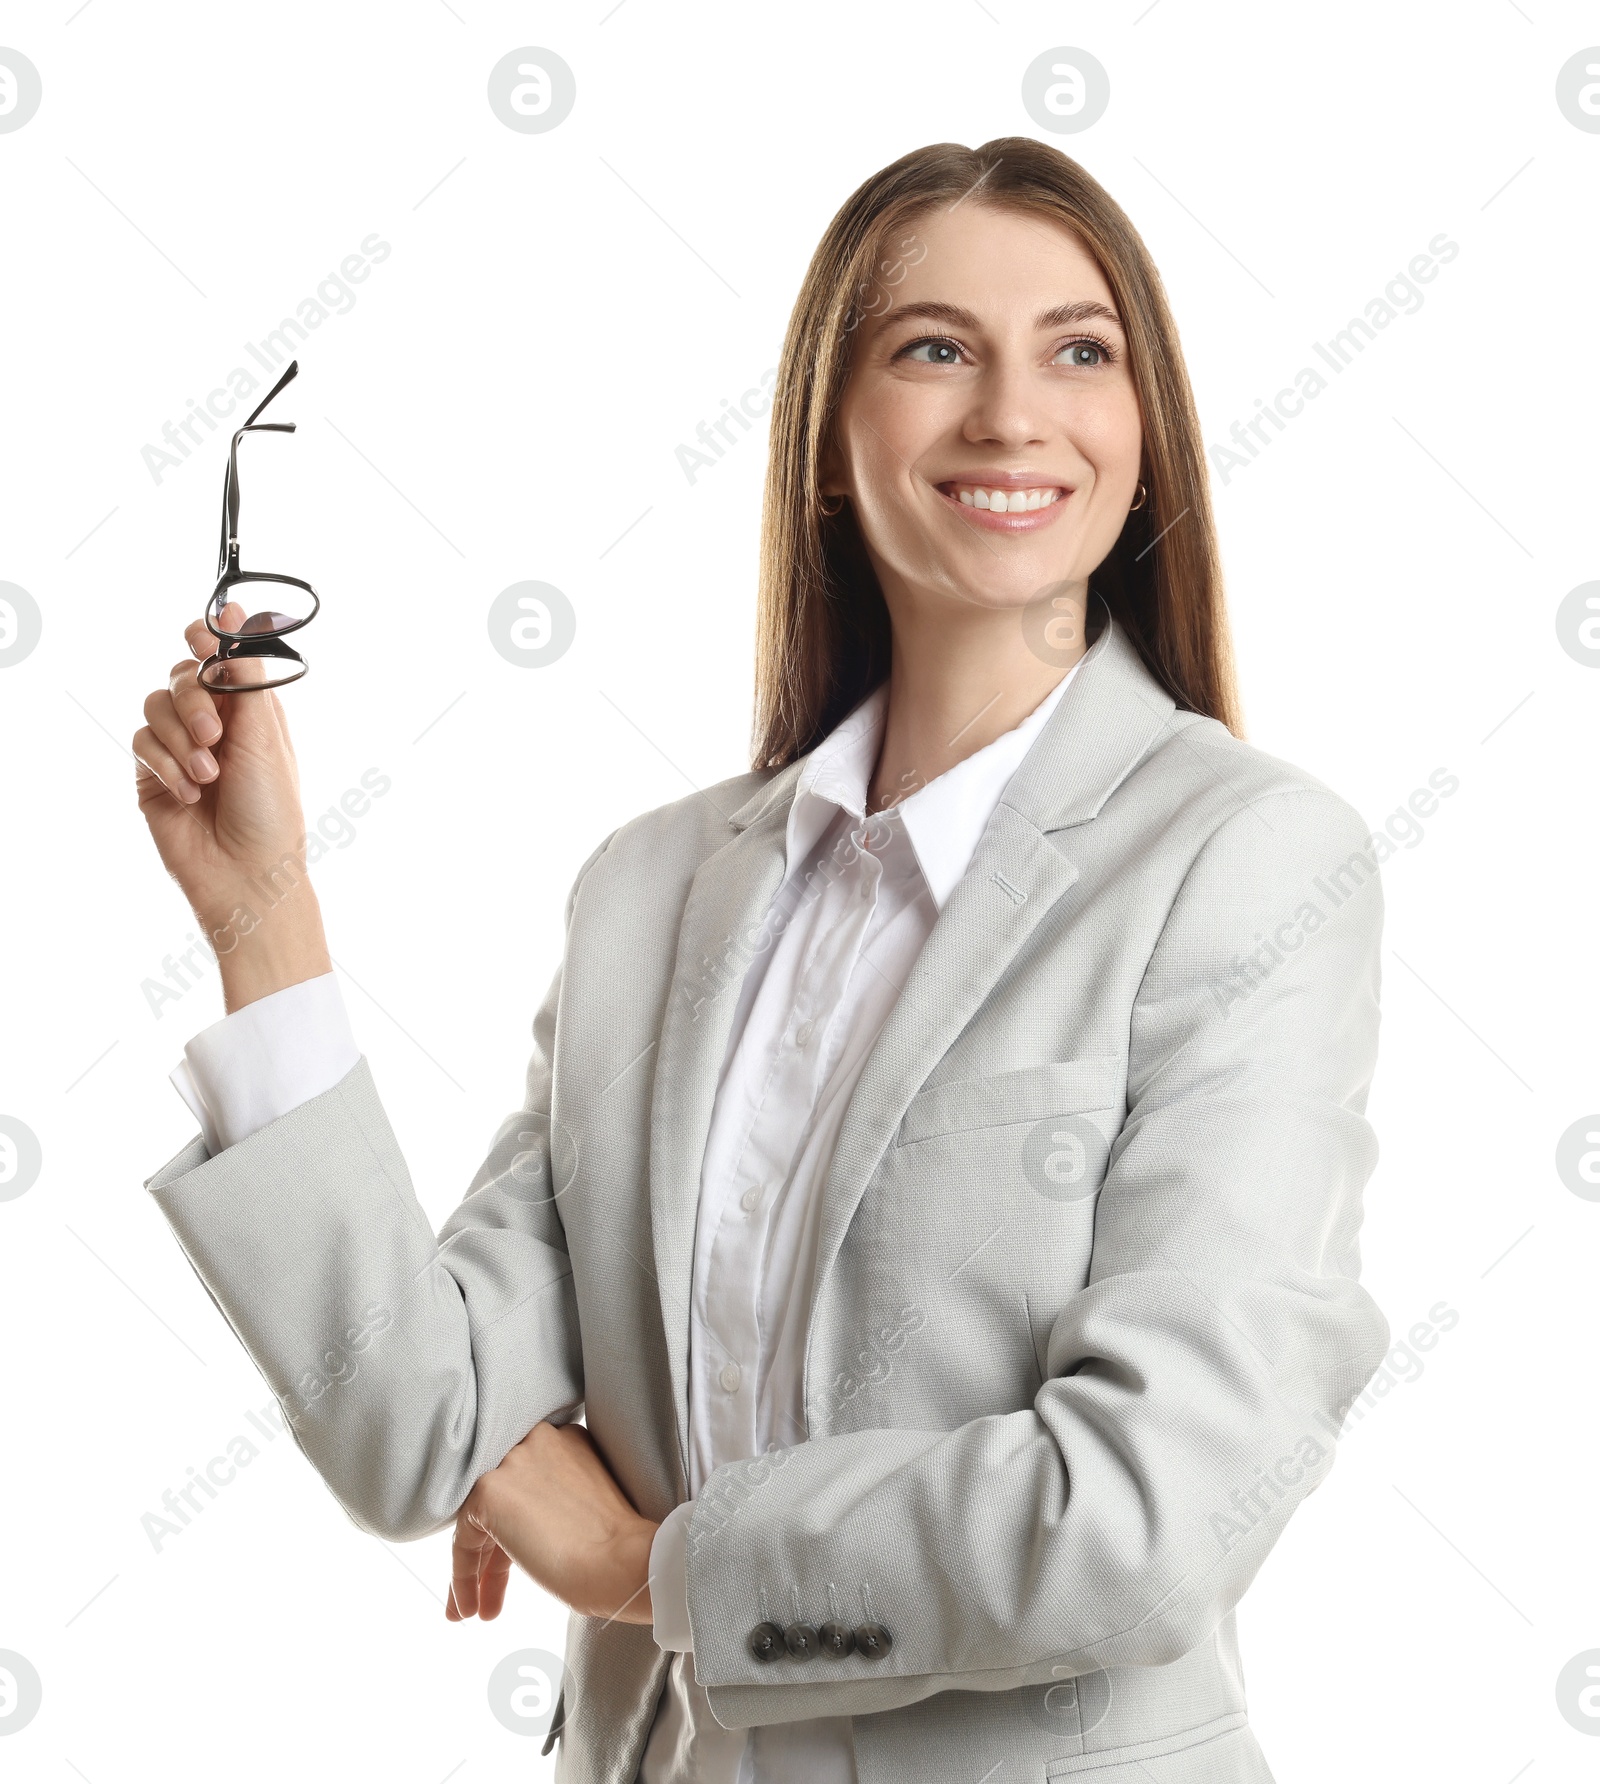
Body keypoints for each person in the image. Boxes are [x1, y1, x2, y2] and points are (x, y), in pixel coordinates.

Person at [133, 137, 1388, 1784]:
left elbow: (1148, 1515)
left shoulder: (1242, 862)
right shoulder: (650, 893)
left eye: (1082, 351)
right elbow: (415, 1417)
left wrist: (654, 1571)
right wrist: (262, 920)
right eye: (934, 348)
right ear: (825, 438)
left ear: (1144, 438)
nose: (1014, 412)